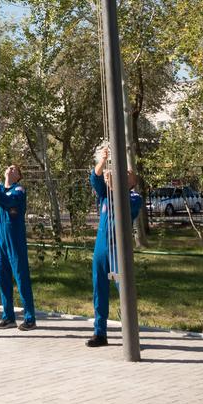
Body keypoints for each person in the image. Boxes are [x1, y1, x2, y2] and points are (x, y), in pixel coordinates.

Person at [87, 146, 143, 348]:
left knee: (124, 289)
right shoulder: (105, 195)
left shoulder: (134, 198)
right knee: (98, 289)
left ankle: (130, 333)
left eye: (127, 174)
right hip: (101, 248)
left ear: (132, 182)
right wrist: (103, 159)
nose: (121, 174)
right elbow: (94, 178)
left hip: (119, 248)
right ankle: (99, 333)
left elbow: (126, 207)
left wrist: (114, 185)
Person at [0, 164, 36, 331]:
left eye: (15, 169)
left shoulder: (19, 190)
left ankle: (30, 318)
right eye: (9, 167)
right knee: (2, 278)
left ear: (18, 177)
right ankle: (8, 317)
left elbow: (8, 201)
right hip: (1, 239)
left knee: (21, 277)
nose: (11, 169)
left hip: (15, 240)